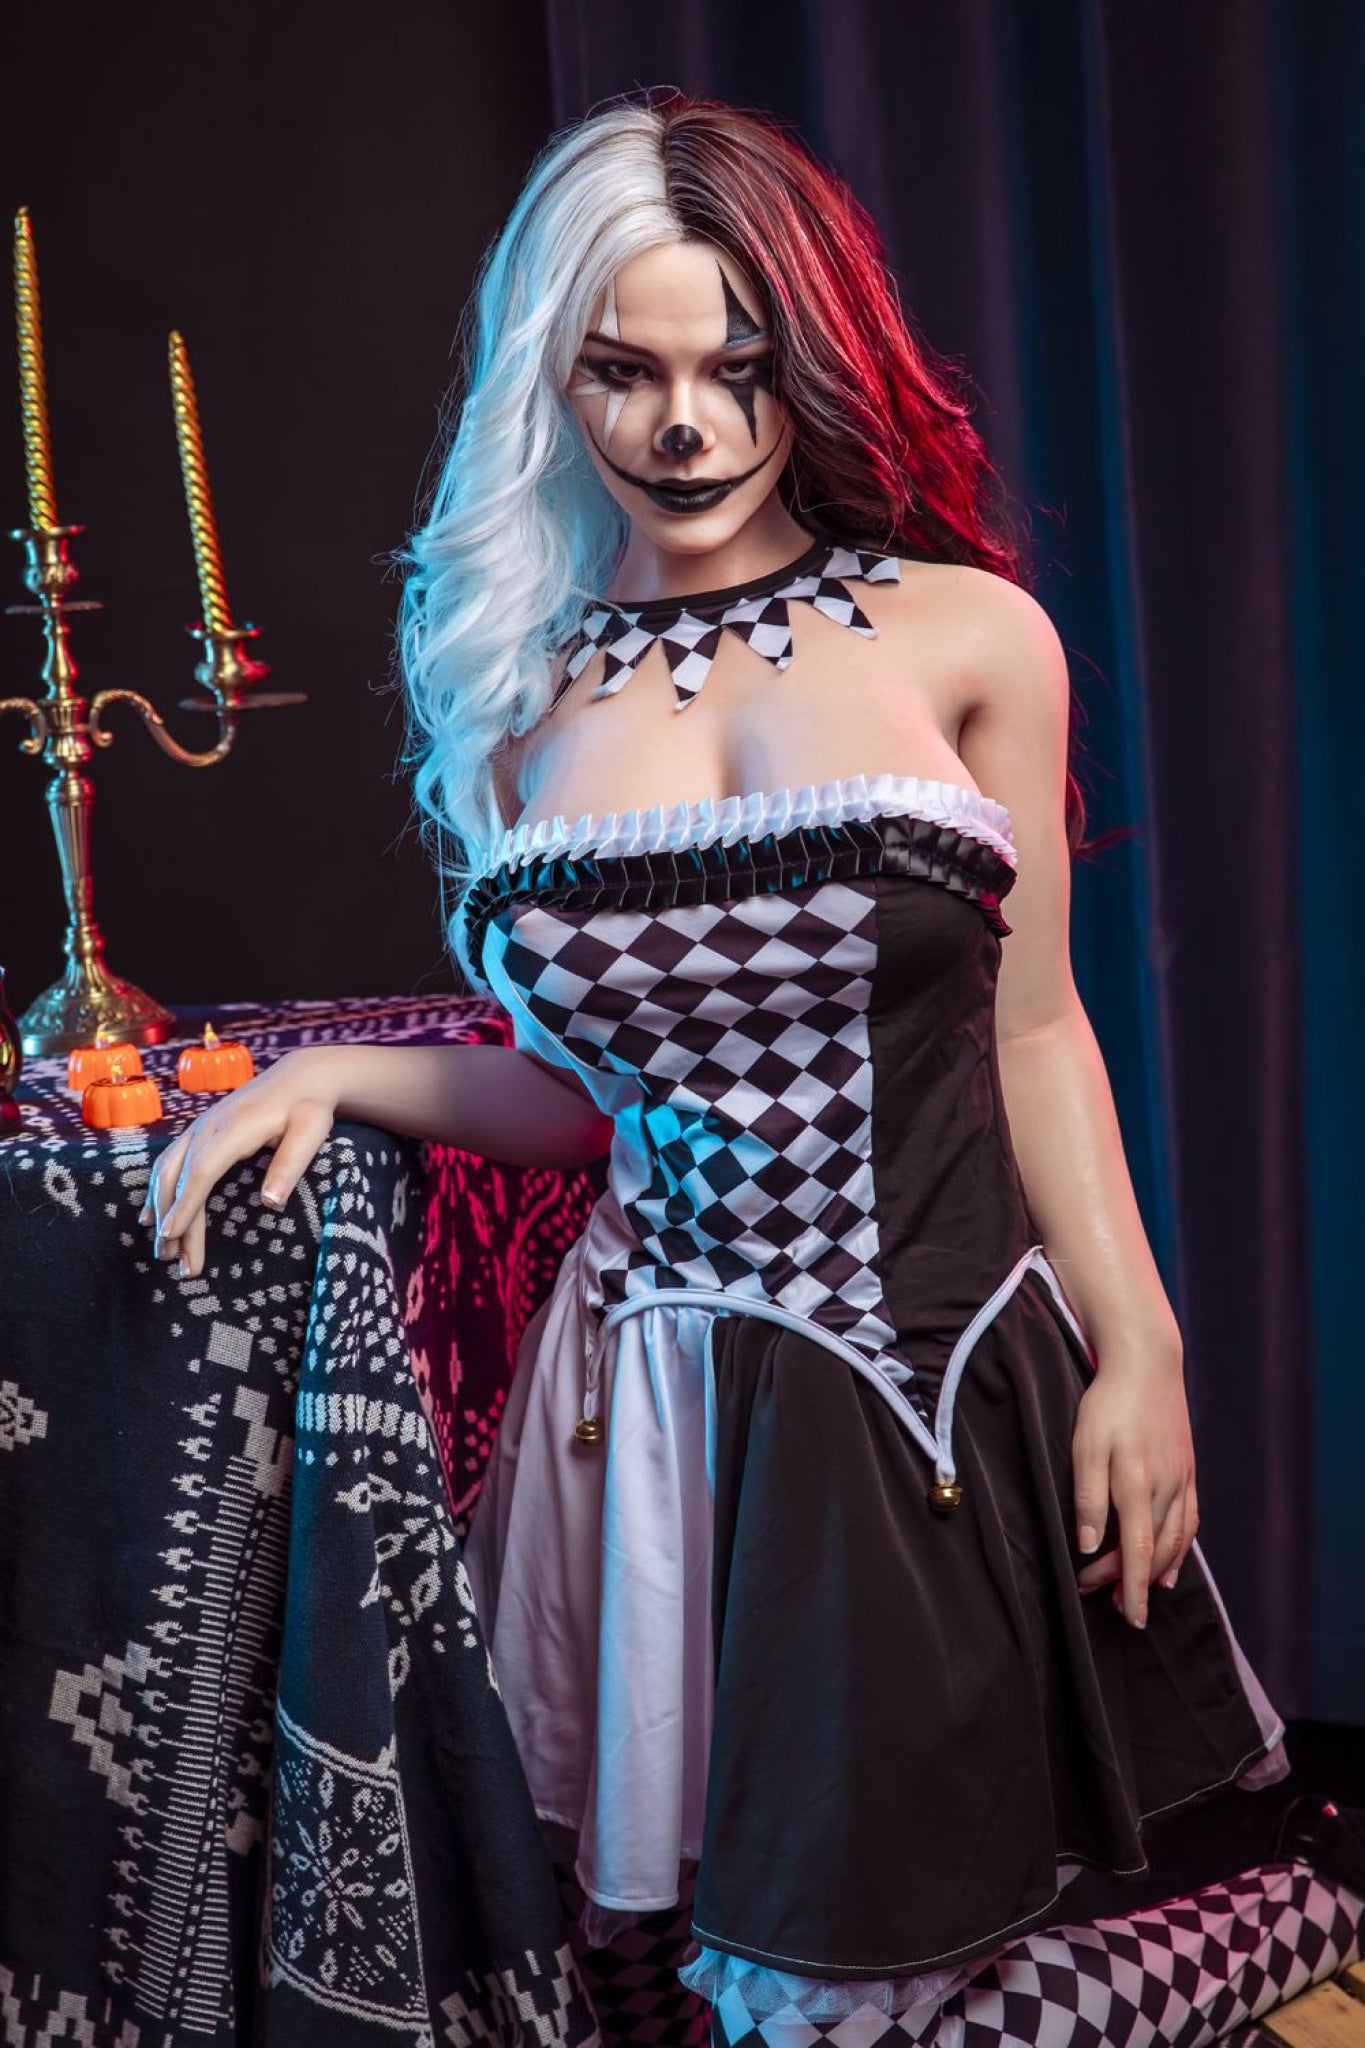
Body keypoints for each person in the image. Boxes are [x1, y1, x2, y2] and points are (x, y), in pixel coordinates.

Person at [145, 90, 1364, 2047]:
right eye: (620, 372)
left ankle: (1259, 1943)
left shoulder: (971, 636)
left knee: (882, 1965)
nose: (686, 427)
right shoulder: (512, 687)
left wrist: (1139, 1349)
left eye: (738, 365)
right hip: (639, 1425)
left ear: (813, 356)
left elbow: (1032, 1025)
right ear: (549, 380)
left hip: (921, 1384)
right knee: (691, 1967)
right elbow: (585, 1103)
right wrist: (345, 1075)